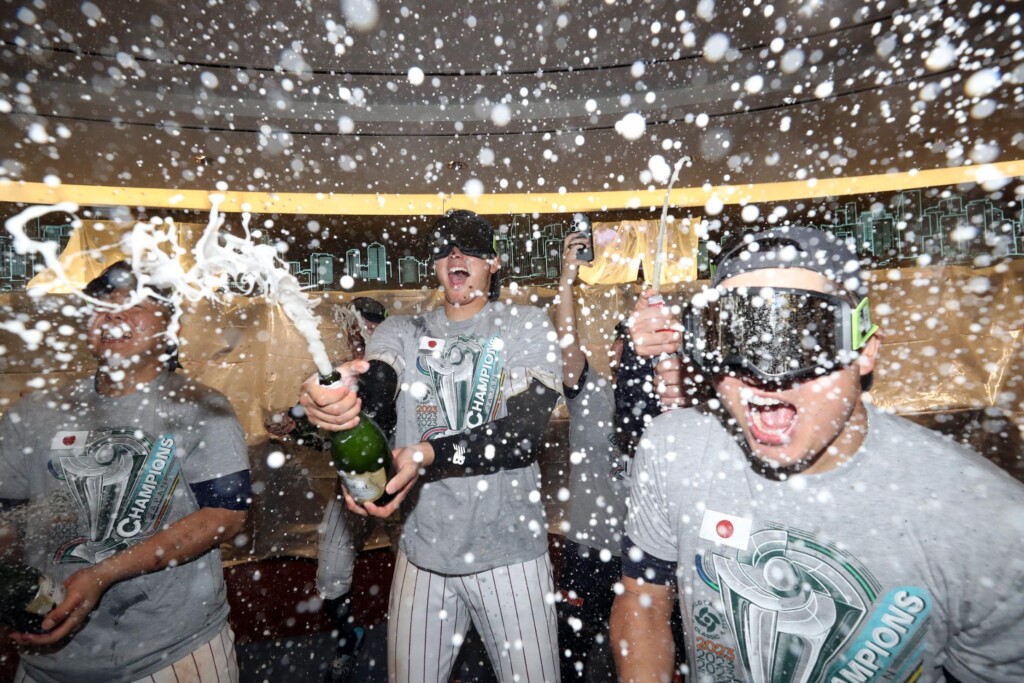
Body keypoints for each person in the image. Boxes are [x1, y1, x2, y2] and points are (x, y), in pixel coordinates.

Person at [610, 226, 1024, 683]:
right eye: (737, 336)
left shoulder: (987, 523)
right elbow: (642, 599)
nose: (764, 373)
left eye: (805, 336)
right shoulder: (675, 450)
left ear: (865, 350)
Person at [300, 209, 563, 683]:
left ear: (495, 262)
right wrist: (340, 402)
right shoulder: (402, 330)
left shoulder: (525, 325)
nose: (455, 253)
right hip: (423, 555)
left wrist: (425, 453)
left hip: (511, 557)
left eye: (469, 245)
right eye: (443, 245)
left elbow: (521, 436)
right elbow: (378, 390)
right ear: (434, 264)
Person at [0, 261, 250, 682]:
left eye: (134, 302)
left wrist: (103, 574)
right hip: (48, 660)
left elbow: (225, 516)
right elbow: (8, 521)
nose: (114, 312)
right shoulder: (34, 413)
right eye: (102, 303)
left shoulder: (202, 409)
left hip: (171, 653)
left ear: (173, 331)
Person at [264, 295, 389, 683]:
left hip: (407, 482)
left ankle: (431, 642)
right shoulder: (338, 374)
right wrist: (291, 421)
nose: (360, 334)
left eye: (368, 326)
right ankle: (348, 638)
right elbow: (315, 420)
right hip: (355, 485)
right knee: (331, 575)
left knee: (427, 567)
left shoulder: (400, 367)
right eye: (355, 327)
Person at [553, 230, 630, 681]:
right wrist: (567, 278)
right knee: (573, 656)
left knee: (644, 655)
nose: (626, 351)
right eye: (621, 343)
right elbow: (567, 343)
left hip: (647, 556)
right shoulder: (593, 393)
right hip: (589, 550)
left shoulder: (665, 410)